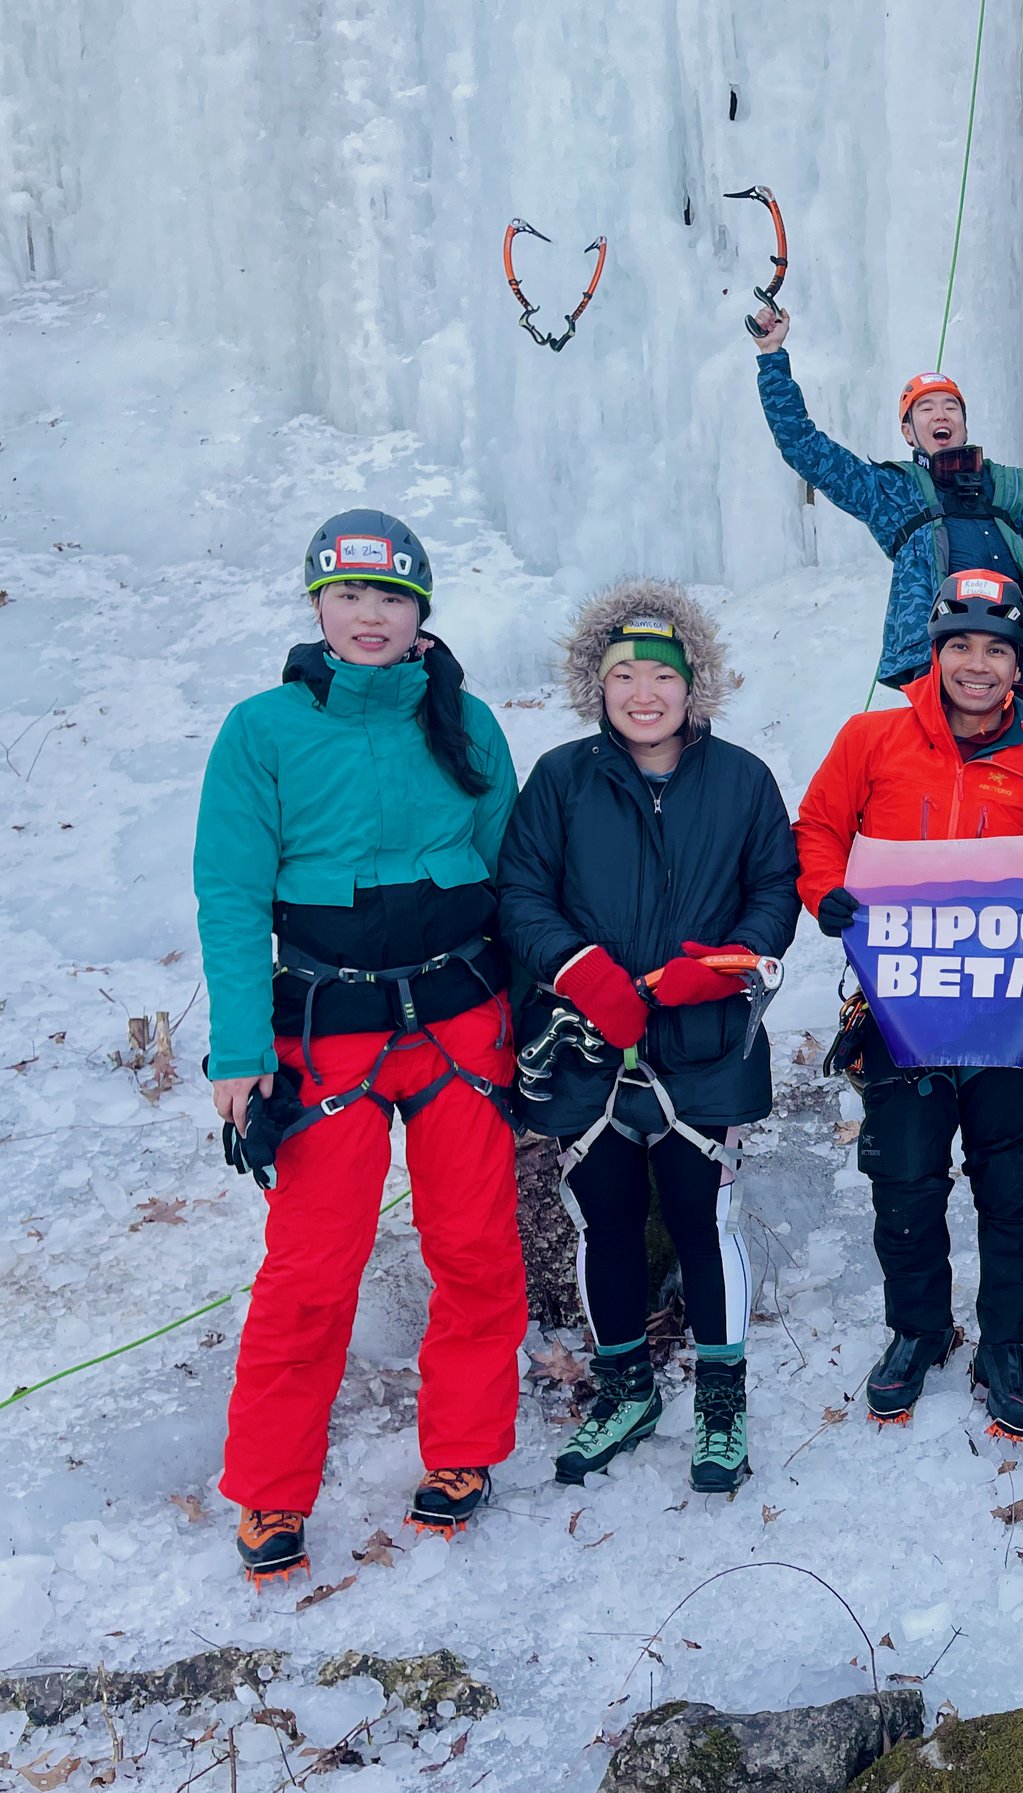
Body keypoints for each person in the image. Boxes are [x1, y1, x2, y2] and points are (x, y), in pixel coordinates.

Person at [195, 511, 522, 1583]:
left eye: (390, 597)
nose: (369, 615)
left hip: (459, 1022)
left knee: (473, 1247)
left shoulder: (466, 722)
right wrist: (238, 1054)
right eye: (347, 596)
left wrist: (531, 1015)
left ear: (421, 609)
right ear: (317, 608)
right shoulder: (264, 731)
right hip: (325, 1035)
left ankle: (465, 1451)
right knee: (310, 1267)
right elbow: (233, 896)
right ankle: (271, 1490)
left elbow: (508, 880)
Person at [496, 581, 800, 1494]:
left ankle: (720, 1398)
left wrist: (733, 960)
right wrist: (578, 967)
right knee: (605, 1221)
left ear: (692, 685)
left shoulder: (742, 779)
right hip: (589, 1045)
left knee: (709, 1221)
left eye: (661, 675)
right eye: (622, 673)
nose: (642, 692)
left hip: (704, 1045)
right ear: (598, 683)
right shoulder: (560, 778)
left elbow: (775, 888)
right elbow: (520, 894)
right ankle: (624, 1387)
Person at [794, 569, 1023, 1438]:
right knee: (905, 1177)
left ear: (1017, 665)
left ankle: (1007, 1342)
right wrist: (829, 896)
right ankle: (917, 1329)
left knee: (1009, 1184)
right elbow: (817, 828)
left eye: (995, 649)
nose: (976, 664)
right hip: (900, 1007)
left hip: (1001, 1015)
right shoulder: (873, 740)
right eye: (960, 645)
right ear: (935, 655)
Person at [748, 308, 1023, 750]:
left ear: (964, 425)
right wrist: (772, 357)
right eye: (924, 409)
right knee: (965, 758)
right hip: (943, 642)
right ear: (909, 434)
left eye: (950, 406)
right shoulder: (891, 492)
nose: (939, 414)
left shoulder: (1003, 486)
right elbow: (806, 449)